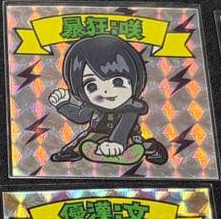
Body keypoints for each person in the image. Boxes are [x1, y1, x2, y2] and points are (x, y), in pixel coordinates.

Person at [48, 35, 167, 165]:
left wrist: (116, 142)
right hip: (97, 132)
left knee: (135, 143)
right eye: (92, 86)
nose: (106, 91)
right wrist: (63, 105)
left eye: (117, 81)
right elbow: (80, 116)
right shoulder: (93, 106)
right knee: (80, 143)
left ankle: (151, 148)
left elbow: (124, 126)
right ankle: (73, 152)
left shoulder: (130, 107)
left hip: (127, 135)